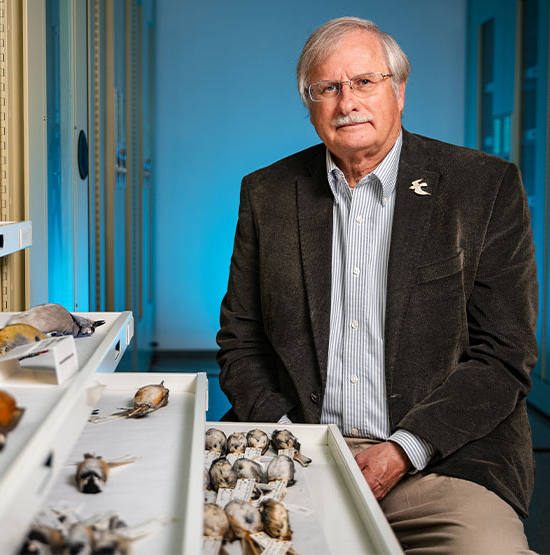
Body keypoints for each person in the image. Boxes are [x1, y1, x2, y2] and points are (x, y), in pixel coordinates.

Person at [216, 16, 538, 553]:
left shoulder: (483, 187)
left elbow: (504, 354)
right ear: (310, 102)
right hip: (300, 452)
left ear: (399, 90)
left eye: (365, 81)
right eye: (328, 88)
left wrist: (403, 450)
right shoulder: (267, 194)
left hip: (443, 460)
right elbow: (240, 342)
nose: (347, 103)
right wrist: (290, 438)